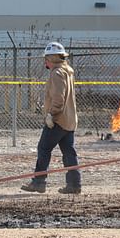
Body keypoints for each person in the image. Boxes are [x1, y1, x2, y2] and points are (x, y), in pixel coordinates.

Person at [21, 42, 82, 194]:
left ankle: (39, 182)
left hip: (58, 120)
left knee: (44, 148)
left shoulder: (57, 73)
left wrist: (51, 115)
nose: (45, 62)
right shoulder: (68, 71)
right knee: (69, 152)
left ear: (53, 58)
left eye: (47, 58)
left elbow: (59, 99)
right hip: (69, 120)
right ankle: (74, 184)